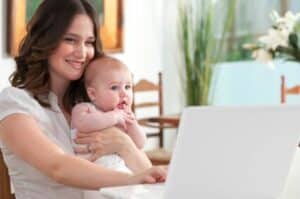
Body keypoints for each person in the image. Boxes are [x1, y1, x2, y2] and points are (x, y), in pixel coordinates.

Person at [0, 1, 166, 199]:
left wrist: (124, 145)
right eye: (70, 40)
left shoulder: (94, 103)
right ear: (45, 40)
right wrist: (131, 180)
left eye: (89, 42)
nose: (82, 52)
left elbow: (147, 174)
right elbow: (58, 167)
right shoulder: (15, 103)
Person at [71, 55, 149, 198]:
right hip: (96, 177)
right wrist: (113, 117)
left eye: (128, 87)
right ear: (93, 94)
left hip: (123, 173)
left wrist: (132, 125)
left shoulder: (126, 116)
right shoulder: (86, 109)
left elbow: (140, 143)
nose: (123, 93)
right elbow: (82, 124)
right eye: (114, 87)